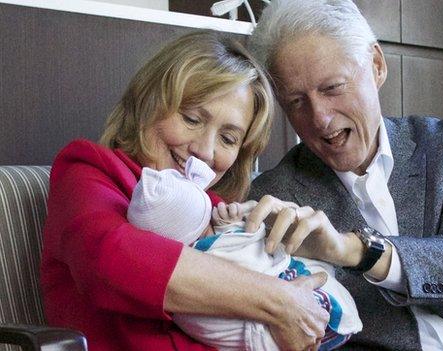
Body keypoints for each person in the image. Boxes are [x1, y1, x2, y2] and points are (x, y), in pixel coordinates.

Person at [246, 1, 443, 350]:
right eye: (297, 101)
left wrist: (356, 251)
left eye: (332, 88)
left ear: (376, 66)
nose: (320, 119)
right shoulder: (273, 197)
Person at [40, 31, 332, 351]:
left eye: (228, 139)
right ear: (148, 102)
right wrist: (280, 301)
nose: (205, 151)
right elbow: (113, 260)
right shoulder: (89, 170)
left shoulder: (218, 210)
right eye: (192, 118)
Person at [126, 155, 362, 350]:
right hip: (270, 329)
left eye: (228, 138)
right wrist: (235, 224)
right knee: (320, 292)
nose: (206, 151)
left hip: (275, 320)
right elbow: (243, 245)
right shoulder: (208, 252)